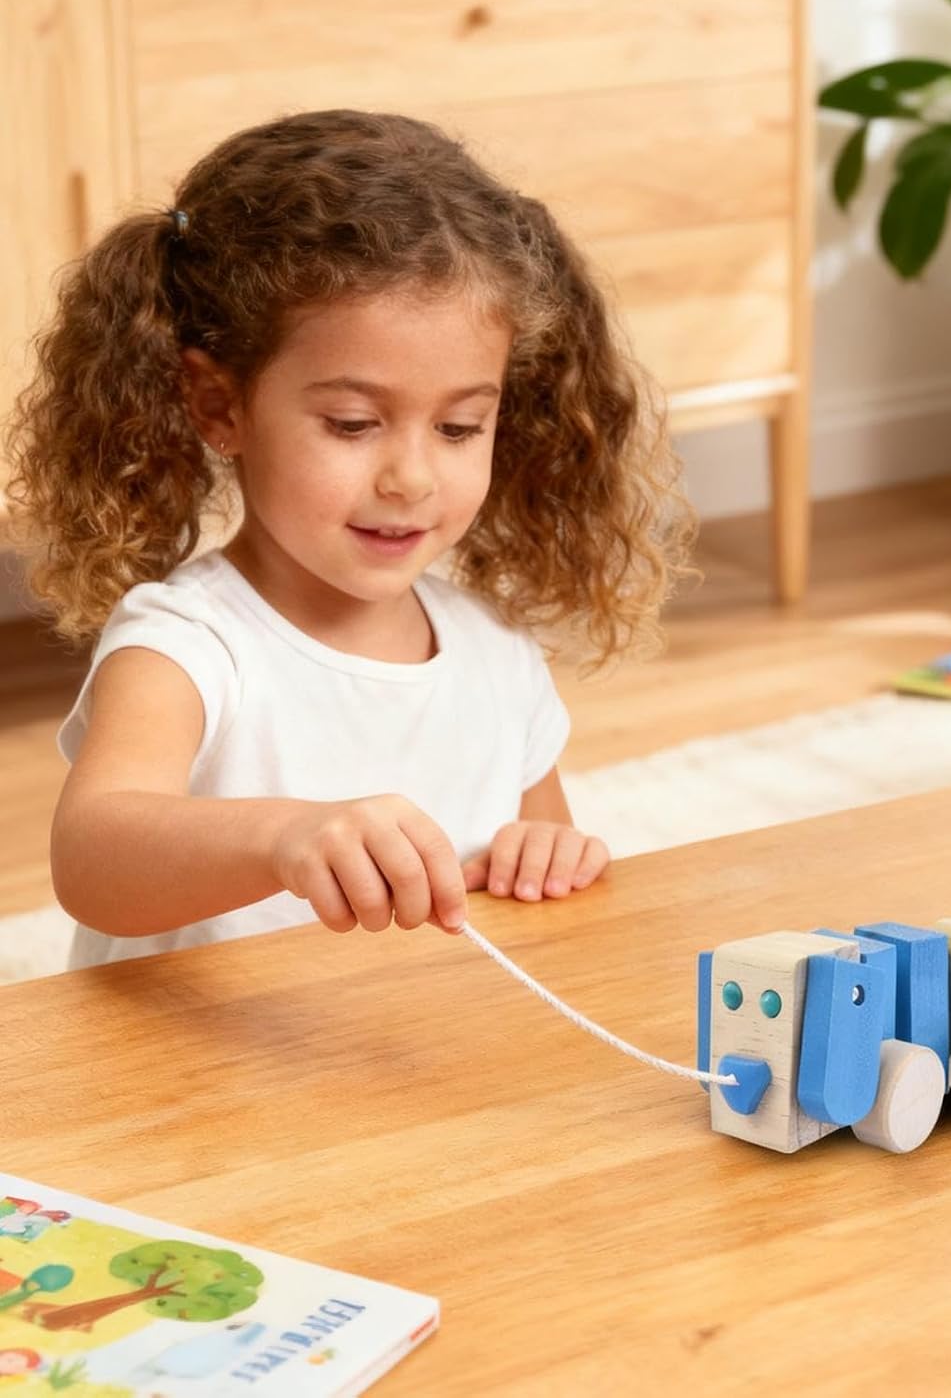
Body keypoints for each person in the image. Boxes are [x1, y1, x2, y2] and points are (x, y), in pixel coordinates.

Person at [2, 110, 693, 969]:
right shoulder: (185, 646)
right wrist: (284, 837)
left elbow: (540, 873)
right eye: (354, 423)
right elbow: (94, 861)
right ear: (219, 405)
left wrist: (547, 855)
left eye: (459, 427)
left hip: (391, 1042)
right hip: (188, 1053)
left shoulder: (496, 653)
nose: (411, 478)